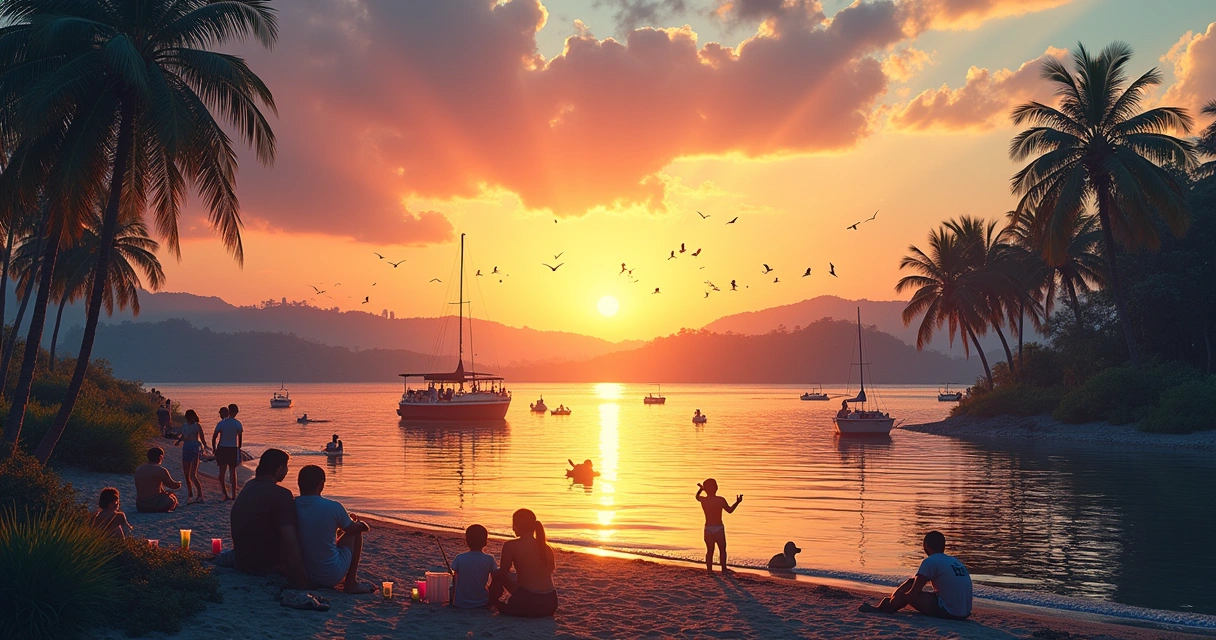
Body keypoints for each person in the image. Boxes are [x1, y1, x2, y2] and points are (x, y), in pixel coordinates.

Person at [230, 449, 308, 587]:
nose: (287, 470)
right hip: (263, 564)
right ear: (278, 468)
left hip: (241, 560)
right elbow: (290, 540)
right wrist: (302, 579)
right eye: (286, 466)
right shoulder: (282, 494)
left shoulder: (248, 486)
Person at [294, 465, 374, 593]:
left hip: (300, 574)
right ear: (321, 485)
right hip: (329, 575)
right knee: (355, 532)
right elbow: (353, 530)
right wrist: (360, 523)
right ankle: (351, 583)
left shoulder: (291, 505)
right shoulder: (333, 507)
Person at [858, 531, 972, 620]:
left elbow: (913, 592)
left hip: (949, 612)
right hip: (965, 612)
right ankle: (888, 603)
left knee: (909, 587)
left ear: (926, 546)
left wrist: (900, 597)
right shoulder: (953, 560)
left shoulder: (930, 561)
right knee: (912, 584)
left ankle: (885, 608)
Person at [488, 509, 558, 618]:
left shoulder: (510, 546)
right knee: (512, 577)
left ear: (517, 525)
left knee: (497, 573)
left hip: (528, 603)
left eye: (513, 524)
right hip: (550, 604)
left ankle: (491, 601)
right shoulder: (546, 547)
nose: (512, 528)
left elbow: (503, 573)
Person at [696, 478, 742, 573]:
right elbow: (730, 510)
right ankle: (723, 569)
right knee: (722, 549)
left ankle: (709, 570)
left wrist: (701, 489)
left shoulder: (704, 500)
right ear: (716, 488)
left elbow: (697, 496)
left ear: (706, 489)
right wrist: (737, 502)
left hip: (708, 528)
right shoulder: (720, 500)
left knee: (710, 551)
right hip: (718, 528)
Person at [452, 524, 497, 608]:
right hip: (482, 602)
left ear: (467, 541)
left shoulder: (459, 558)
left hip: (460, 603)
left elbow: (455, 579)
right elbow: (495, 579)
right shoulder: (489, 559)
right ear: (485, 542)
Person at [134, 447, 181, 513]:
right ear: (160, 457)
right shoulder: (160, 470)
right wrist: (178, 484)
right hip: (154, 504)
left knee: (163, 491)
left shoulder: (138, 469)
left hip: (140, 506)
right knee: (172, 497)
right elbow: (173, 486)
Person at [175, 409, 208, 504]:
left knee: (192, 474)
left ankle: (199, 495)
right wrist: (178, 441)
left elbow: (202, 438)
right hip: (187, 447)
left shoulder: (197, 426)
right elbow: (182, 436)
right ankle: (190, 494)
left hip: (194, 447)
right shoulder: (185, 425)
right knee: (187, 474)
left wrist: (205, 447)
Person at [212, 404, 244, 500]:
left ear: (228, 411)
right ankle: (233, 495)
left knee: (222, 472)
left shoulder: (222, 423)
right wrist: (238, 449)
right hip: (232, 449)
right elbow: (240, 440)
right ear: (236, 412)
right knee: (232, 472)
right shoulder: (238, 424)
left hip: (222, 448)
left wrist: (214, 449)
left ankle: (225, 494)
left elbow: (214, 437)